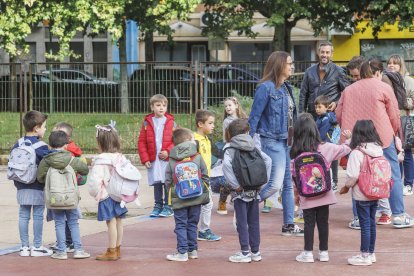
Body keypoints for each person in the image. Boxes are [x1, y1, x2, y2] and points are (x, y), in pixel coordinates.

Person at [336, 58, 414, 228]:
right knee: (392, 175)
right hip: (382, 137)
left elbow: (339, 114)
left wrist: (347, 131)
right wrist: (394, 132)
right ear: (375, 72)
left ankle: (358, 219)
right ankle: (399, 215)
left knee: (357, 174)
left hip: (356, 138)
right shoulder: (384, 88)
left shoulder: (348, 90)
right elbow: (394, 114)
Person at [248, 51, 303, 236]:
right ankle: (246, 203)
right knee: (275, 184)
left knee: (288, 184)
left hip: (287, 141)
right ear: (279, 65)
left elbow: (292, 116)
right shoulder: (266, 88)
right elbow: (254, 116)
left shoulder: (287, 88)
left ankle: (289, 225)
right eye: (289, 63)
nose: (292, 66)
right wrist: (247, 141)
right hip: (271, 140)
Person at [291, 113, 351, 263]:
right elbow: (345, 149)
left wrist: (297, 196)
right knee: (323, 222)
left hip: (307, 195)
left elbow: (294, 178)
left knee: (309, 223)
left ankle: (308, 253)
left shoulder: (295, 153)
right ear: (315, 130)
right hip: (325, 194)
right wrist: (349, 138)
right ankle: (324, 252)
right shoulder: (326, 148)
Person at [299, 41, 350, 194]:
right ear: (318, 53)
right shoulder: (309, 71)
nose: (325, 55)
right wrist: (301, 114)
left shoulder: (338, 71)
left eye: (328, 52)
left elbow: (347, 91)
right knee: (311, 146)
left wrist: (336, 103)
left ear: (332, 54)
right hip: (312, 115)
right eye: (322, 52)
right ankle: (315, 176)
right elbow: (303, 93)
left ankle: (333, 181)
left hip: (329, 118)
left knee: (330, 147)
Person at [222, 119, 271, 263]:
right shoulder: (253, 147)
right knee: (254, 222)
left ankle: (244, 252)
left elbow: (226, 167)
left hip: (239, 192)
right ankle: (256, 252)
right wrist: (262, 182)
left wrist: (235, 185)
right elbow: (268, 161)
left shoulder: (229, 149)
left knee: (241, 222)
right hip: (254, 191)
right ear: (247, 132)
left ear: (230, 133)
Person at [37, 131, 90, 260]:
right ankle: (78, 250)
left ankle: (61, 251)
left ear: (50, 146)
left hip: (55, 198)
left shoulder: (46, 161)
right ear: (66, 145)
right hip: (70, 197)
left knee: (59, 223)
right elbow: (85, 170)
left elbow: (40, 177)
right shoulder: (71, 159)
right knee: (73, 222)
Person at [340, 120, 384, 266]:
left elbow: (353, 175)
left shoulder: (356, 153)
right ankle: (371, 253)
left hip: (361, 194)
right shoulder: (378, 150)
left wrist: (346, 187)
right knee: (371, 223)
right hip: (376, 192)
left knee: (365, 225)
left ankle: (364, 255)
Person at [9, 110, 53, 257]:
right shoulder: (41, 146)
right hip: (36, 184)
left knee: (23, 215)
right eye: (44, 127)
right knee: (38, 215)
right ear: (36, 128)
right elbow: (50, 161)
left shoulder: (18, 143)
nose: (45, 129)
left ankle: (24, 247)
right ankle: (37, 246)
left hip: (20, 184)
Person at [165, 128, 210, 262]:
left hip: (179, 198)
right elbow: (205, 174)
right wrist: (202, 187)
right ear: (187, 141)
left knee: (180, 225)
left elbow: (168, 179)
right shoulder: (197, 156)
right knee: (192, 224)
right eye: (192, 138)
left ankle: (182, 252)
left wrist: (172, 191)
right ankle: (193, 250)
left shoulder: (172, 159)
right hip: (196, 197)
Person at [87, 123, 128, 261]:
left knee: (110, 222)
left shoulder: (101, 161)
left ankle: (111, 250)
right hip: (120, 194)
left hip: (106, 195)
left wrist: (95, 193)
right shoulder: (120, 158)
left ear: (101, 143)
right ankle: (117, 248)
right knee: (119, 221)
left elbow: (94, 182)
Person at [49, 122, 86, 252]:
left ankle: (63, 245)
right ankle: (75, 246)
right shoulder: (75, 154)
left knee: (60, 220)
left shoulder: (51, 156)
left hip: (57, 191)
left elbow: (41, 174)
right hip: (71, 191)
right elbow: (84, 170)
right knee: (72, 219)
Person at [138, 94, 175, 217]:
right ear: (152, 107)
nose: (161, 108)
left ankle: (168, 206)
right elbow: (142, 141)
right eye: (158, 105)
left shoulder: (171, 122)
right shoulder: (146, 123)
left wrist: (168, 152)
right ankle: (158, 205)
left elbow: (176, 140)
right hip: (154, 159)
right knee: (157, 182)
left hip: (166, 160)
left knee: (167, 182)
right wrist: (145, 158)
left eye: (164, 105)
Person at [386, 54, 414, 196]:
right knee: (395, 152)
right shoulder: (385, 79)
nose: (391, 65)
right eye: (389, 63)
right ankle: (397, 182)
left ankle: (408, 183)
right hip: (389, 120)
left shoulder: (408, 80)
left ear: (401, 65)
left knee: (406, 152)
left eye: (395, 63)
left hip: (404, 118)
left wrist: (403, 101)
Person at [215, 97, 248, 215]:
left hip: (243, 149)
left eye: (230, 105)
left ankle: (237, 199)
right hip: (232, 148)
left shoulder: (244, 119)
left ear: (236, 106)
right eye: (226, 106)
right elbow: (225, 138)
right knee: (231, 176)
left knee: (241, 175)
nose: (228, 108)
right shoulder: (227, 121)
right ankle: (222, 199)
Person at [194, 110, 222, 241]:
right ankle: (202, 230)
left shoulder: (206, 140)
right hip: (198, 179)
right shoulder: (194, 140)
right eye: (210, 123)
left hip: (206, 178)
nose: (213, 126)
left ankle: (202, 229)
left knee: (207, 204)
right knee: (205, 204)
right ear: (200, 124)